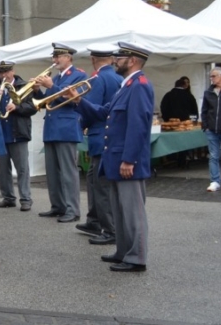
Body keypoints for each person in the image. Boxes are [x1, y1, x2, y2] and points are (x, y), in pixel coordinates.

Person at [72, 42, 154, 272]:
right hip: (116, 159)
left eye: (120, 57)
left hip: (127, 161)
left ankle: (137, 258)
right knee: (120, 211)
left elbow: (138, 126)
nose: (115, 61)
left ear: (133, 61)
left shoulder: (139, 85)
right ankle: (123, 251)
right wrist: (78, 100)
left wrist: (129, 159)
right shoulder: (126, 85)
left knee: (133, 212)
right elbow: (105, 112)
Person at [35, 43, 87, 223]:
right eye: (53, 56)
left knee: (68, 172)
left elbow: (72, 99)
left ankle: (73, 210)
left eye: (58, 56)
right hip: (51, 128)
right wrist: (37, 90)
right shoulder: (56, 77)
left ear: (68, 57)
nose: (54, 60)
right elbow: (46, 102)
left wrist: (51, 86)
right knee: (52, 172)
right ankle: (57, 206)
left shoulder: (79, 75)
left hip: (66, 128)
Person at [75, 47, 123, 244]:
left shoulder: (98, 79)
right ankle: (94, 220)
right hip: (111, 136)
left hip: (99, 136)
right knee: (94, 180)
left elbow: (93, 110)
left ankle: (109, 229)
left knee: (100, 186)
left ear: (93, 59)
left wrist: (80, 111)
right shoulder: (119, 78)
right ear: (111, 59)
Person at [0, 61, 35, 211]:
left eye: (7, 71)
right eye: (1, 72)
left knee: (22, 168)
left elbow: (33, 107)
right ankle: (8, 197)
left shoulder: (23, 86)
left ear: (13, 71)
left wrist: (17, 107)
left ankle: (25, 198)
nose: (4, 75)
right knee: (3, 170)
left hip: (18, 132)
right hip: (0, 133)